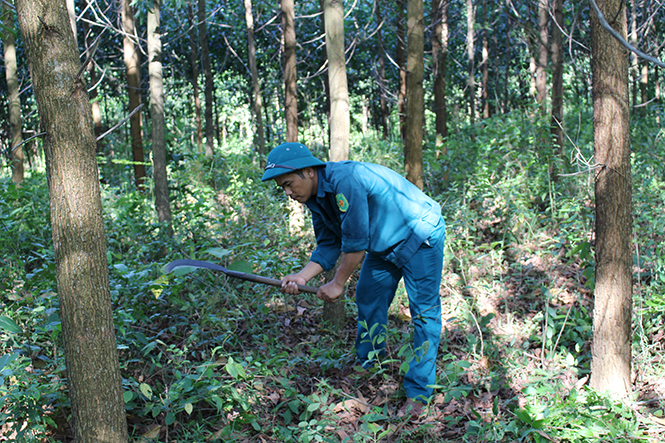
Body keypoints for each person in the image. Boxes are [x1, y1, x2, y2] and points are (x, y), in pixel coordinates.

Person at [261, 142, 446, 416]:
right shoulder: (315, 199)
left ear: (309, 171)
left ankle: (419, 393)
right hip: (384, 244)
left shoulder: (345, 180)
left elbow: (355, 243)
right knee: (368, 296)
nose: (287, 192)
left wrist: (337, 283)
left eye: (288, 183)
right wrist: (301, 277)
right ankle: (371, 363)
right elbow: (328, 245)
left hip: (419, 234)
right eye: (282, 188)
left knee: (423, 313)